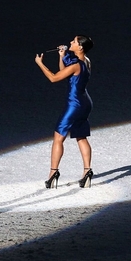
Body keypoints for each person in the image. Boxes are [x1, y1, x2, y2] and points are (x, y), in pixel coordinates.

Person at [34, 35, 94, 189]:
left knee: (58, 138)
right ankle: (87, 172)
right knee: (81, 136)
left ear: (80, 47)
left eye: (73, 42)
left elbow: (54, 78)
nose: (70, 43)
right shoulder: (86, 62)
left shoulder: (76, 65)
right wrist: (62, 57)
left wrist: (40, 64)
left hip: (74, 104)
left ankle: (53, 173)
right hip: (85, 103)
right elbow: (65, 72)